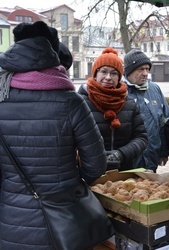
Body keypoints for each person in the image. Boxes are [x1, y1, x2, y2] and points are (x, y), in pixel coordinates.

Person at [0, 21, 107, 249]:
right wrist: (71, 178)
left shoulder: (1, 97)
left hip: (11, 220)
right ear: (52, 52)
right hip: (64, 217)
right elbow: (96, 165)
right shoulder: (71, 101)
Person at [78, 47, 148, 171]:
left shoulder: (130, 104)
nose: (108, 77)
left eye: (114, 73)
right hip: (88, 173)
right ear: (95, 74)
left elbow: (141, 138)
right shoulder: (79, 103)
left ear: (119, 77)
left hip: (122, 173)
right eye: (104, 72)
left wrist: (121, 154)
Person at [123, 50, 169, 172]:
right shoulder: (119, 91)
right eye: (140, 69)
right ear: (129, 71)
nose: (145, 73)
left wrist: (164, 151)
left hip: (151, 159)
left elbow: (165, 122)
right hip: (127, 161)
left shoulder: (154, 89)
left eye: (147, 69)